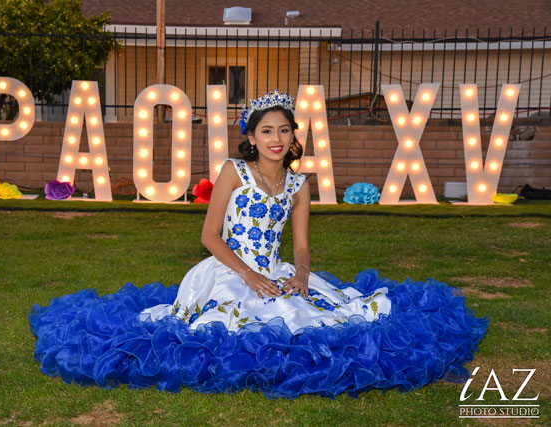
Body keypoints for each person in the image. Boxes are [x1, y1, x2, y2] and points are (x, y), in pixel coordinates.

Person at [29, 90, 488, 399]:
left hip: (276, 267)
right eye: (266, 131)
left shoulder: (298, 184)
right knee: (229, 329)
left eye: (284, 131)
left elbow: (302, 245)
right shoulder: (235, 171)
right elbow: (208, 235)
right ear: (250, 137)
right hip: (229, 268)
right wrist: (249, 275)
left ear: (293, 138)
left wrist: (302, 274)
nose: (276, 139)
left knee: (326, 316)